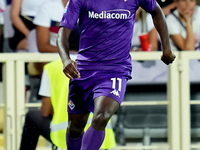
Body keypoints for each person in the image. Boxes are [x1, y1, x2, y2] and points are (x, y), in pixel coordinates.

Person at [57, 0, 176, 149]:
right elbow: (63, 31)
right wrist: (66, 59)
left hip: (116, 70)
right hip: (84, 71)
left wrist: (166, 47)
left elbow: (157, 11)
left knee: (102, 116)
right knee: (75, 126)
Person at [20, 58, 116, 150]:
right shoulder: (101, 65)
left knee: (31, 116)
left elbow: (45, 111)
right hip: (101, 136)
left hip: (65, 133)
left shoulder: (52, 67)